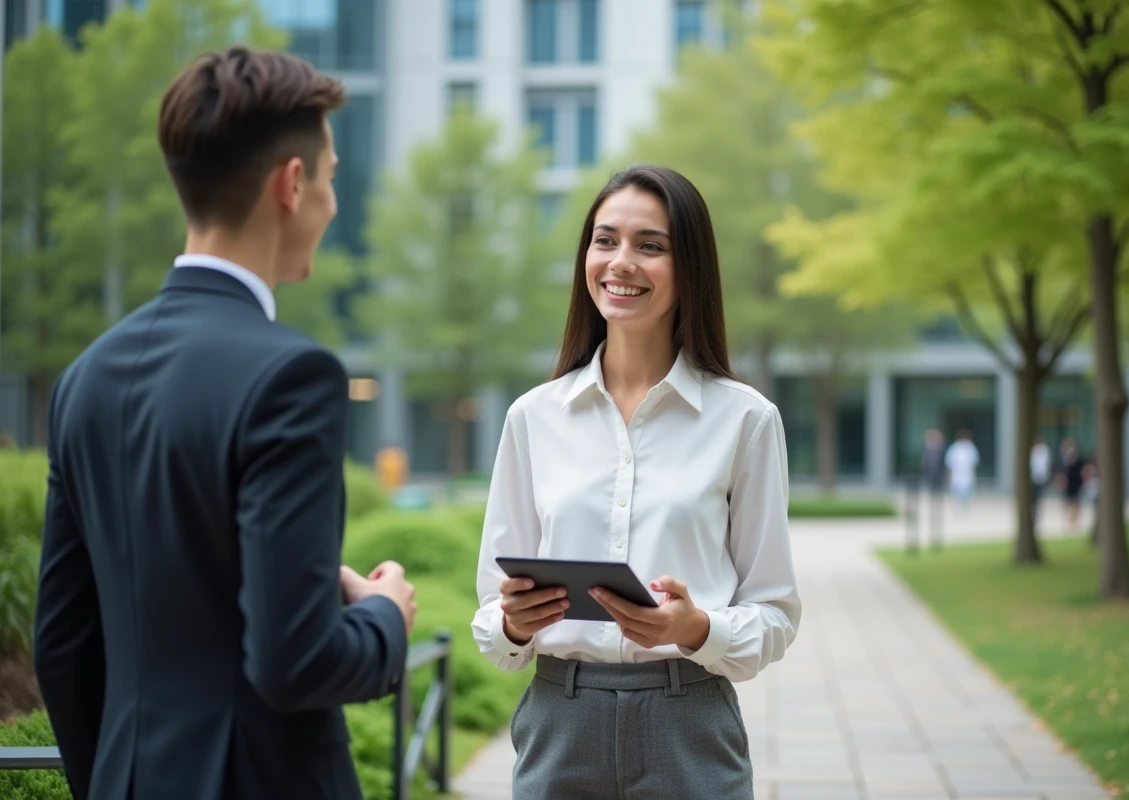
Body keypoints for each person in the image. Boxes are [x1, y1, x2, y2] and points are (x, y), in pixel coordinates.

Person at [32, 46, 416, 800]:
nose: (333, 206)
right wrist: (385, 620)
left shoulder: (85, 378)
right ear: (293, 183)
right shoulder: (292, 376)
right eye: (332, 179)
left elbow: (61, 647)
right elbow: (293, 659)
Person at [472, 165, 802, 799]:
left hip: (690, 722)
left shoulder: (746, 420)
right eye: (605, 240)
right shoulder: (533, 418)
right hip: (559, 722)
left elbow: (775, 615)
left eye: (650, 245)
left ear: (691, 270)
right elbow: (491, 616)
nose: (621, 262)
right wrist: (514, 623)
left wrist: (694, 628)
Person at [944, 428, 980, 508]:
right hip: (956, 474)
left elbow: (974, 462)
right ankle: (958, 505)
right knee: (956, 490)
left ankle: (964, 505)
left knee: (967, 490)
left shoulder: (970, 448)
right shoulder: (954, 448)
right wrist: (948, 476)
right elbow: (950, 463)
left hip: (967, 474)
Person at [1030, 435, 1052, 522]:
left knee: (1039, 495)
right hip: (1034, 477)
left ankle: (1037, 510)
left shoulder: (1045, 450)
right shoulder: (1033, 450)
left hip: (1042, 477)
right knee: (1034, 496)